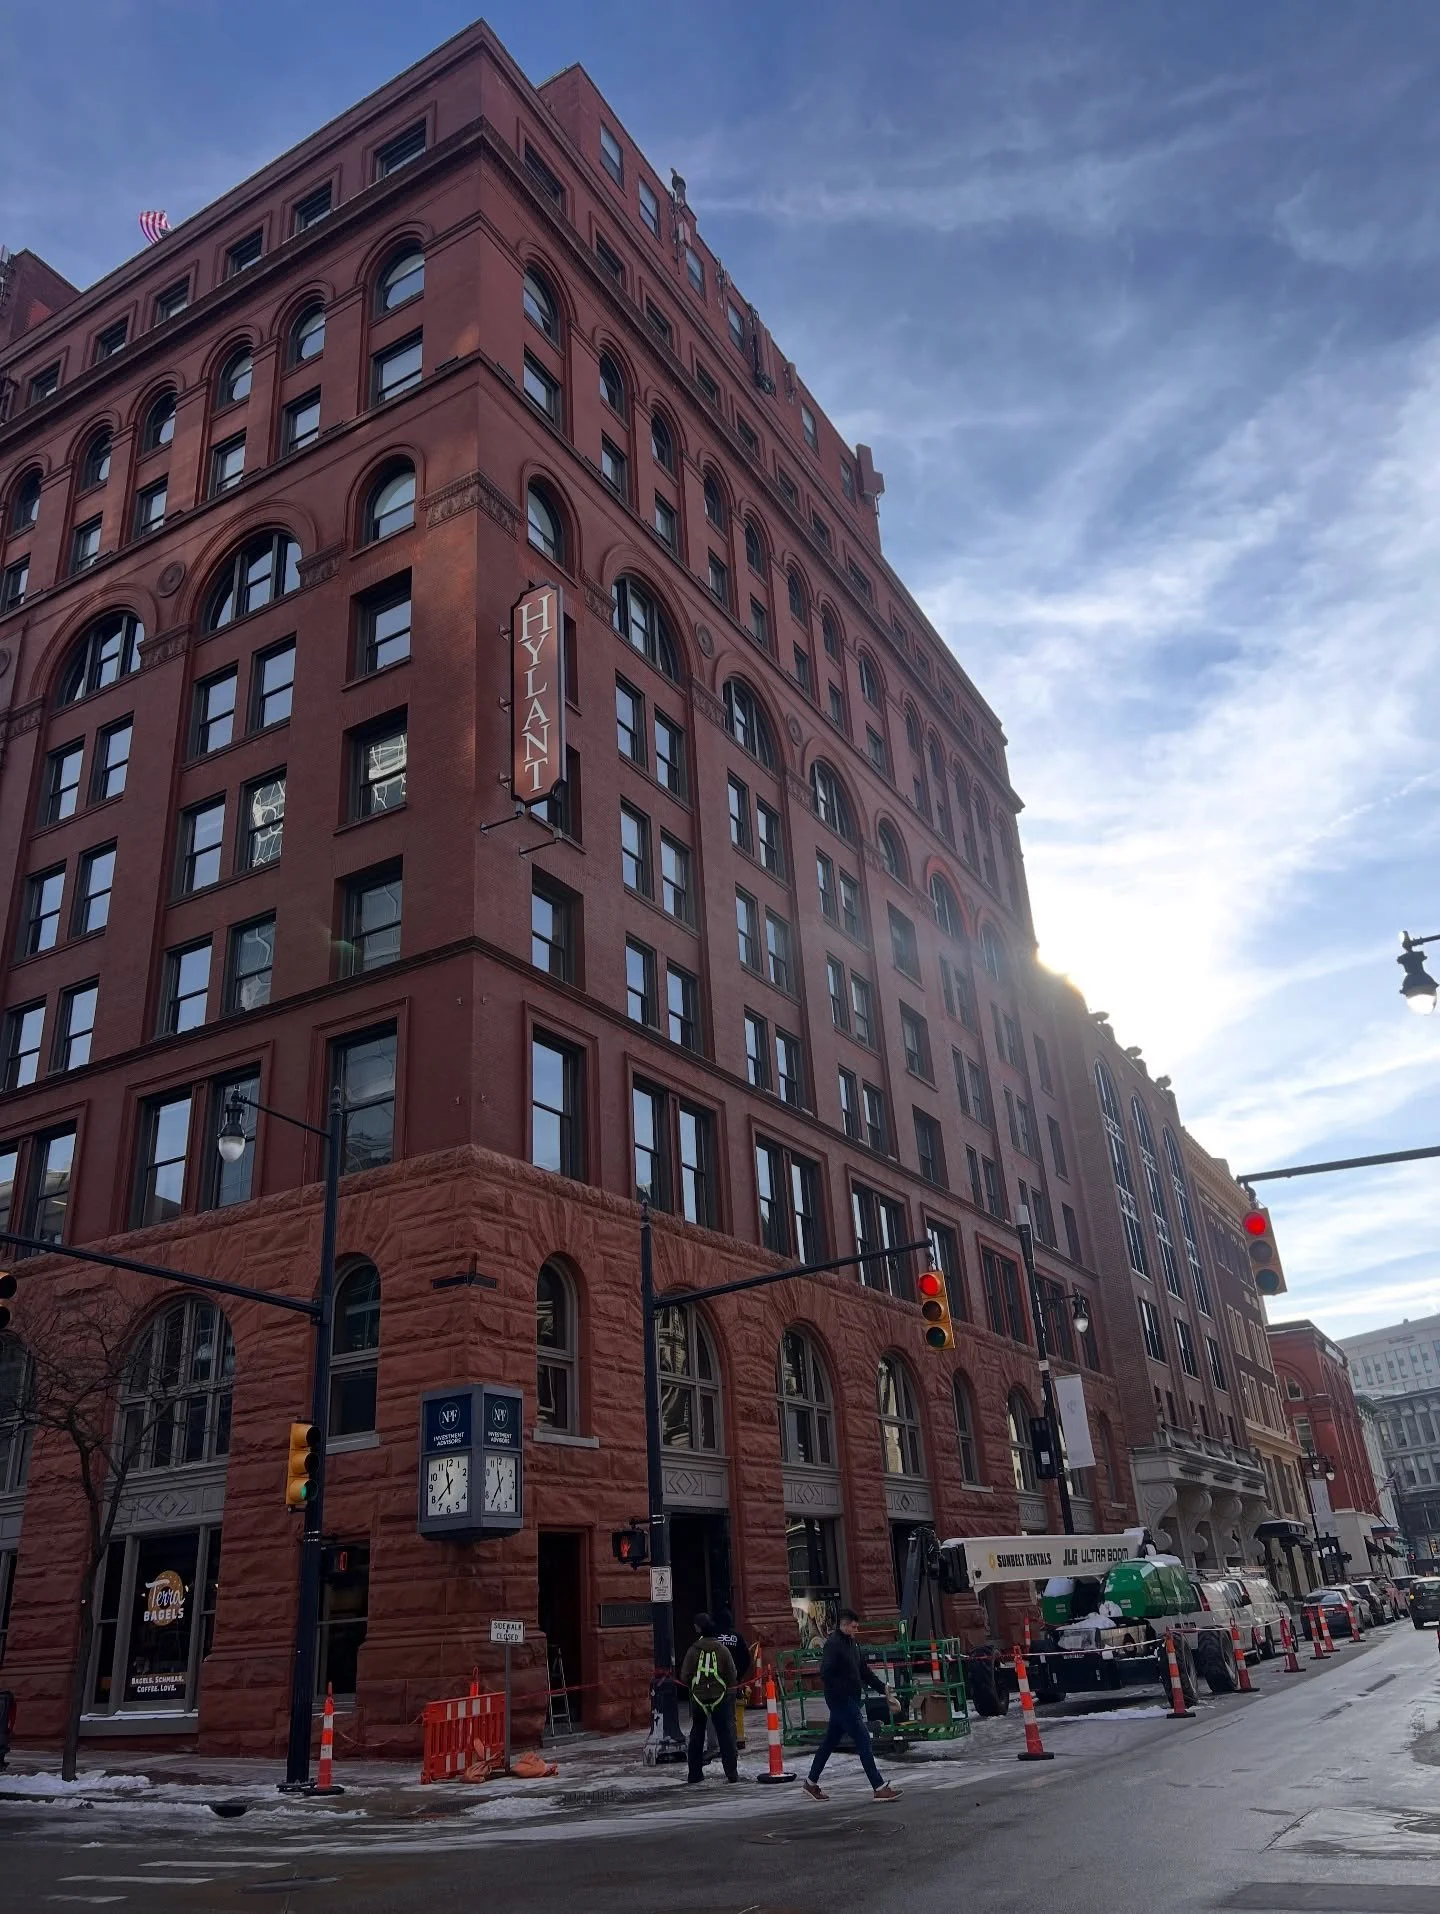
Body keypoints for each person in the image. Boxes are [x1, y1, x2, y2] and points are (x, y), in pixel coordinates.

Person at [802, 1608, 901, 1802]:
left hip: (849, 1700)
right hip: (841, 1700)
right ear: (844, 1625)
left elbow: (864, 1671)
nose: (856, 1630)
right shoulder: (833, 1645)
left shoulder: (853, 1644)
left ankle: (810, 1783)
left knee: (830, 1742)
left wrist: (883, 1688)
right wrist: (841, 1693)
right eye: (854, 1627)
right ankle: (879, 1787)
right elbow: (826, 1673)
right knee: (863, 1739)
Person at [678, 1612, 738, 1784]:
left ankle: (694, 1774)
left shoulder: (693, 1650)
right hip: (719, 1697)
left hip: (698, 1698)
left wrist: (695, 1685)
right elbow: (732, 1674)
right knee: (724, 1734)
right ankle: (731, 1773)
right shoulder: (722, 1649)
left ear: (698, 1629)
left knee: (697, 1733)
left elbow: (684, 1675)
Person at [714, 1608, 752, 1752]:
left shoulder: (714, 1637)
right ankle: (733, 1742)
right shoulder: (737, 1636)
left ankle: (720, 1743)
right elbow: (746, 1658)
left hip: (715, 1681)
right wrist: (739, 1675)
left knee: (717, 1714)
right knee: (732, 1714)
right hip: (733, 1681)